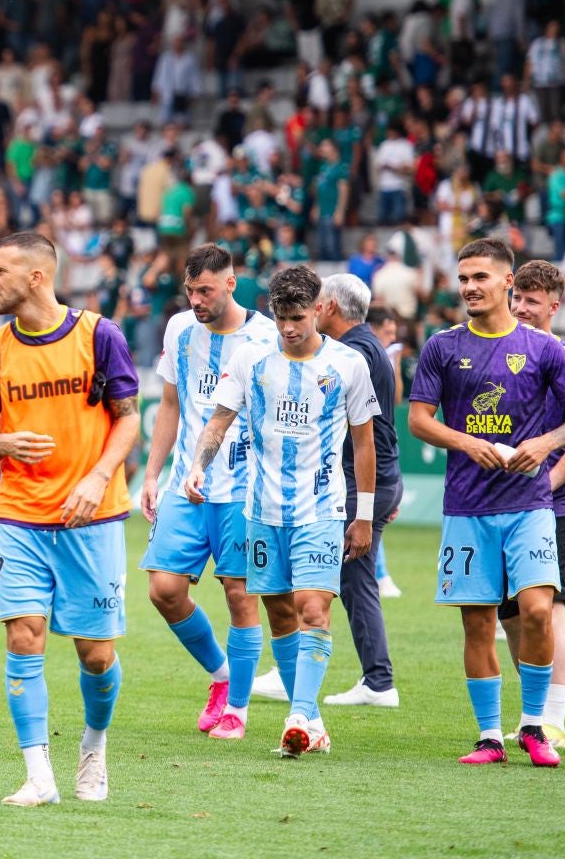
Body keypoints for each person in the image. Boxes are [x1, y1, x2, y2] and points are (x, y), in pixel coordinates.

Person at [407, 238, 565, 769]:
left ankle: (534, 726)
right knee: (477, 621)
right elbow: (419, 419)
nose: (469, 287)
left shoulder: (543, 348)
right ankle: (489, 737)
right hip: (466, 506)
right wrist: (468, 443)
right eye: (463, 278)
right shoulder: (442, 346)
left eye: (480, 278)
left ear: (506, 282)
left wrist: (542, 444)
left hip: (531, 504)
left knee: (538, 611)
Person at [0, 231, 139, 807]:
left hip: (90, 519)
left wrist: (97, 476)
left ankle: (93, 746)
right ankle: (39, 775)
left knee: (96, 654)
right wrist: (0, 442)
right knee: (23, 636)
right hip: (20, 515)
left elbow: (129, 419)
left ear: (36, 276)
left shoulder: (99, 334)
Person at [185, 265, 377, 758]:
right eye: (280, 317)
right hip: (263, 509)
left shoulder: (348, 364)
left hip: (322, 507)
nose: (289, 328)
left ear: (318, 309)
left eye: (297, 317)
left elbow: (364, 440)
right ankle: (310, 721)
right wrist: (197, 467)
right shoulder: (251, 357)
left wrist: (365, 514)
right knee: (280, 615)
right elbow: (219, 419)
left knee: (313, 608)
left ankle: (297, 713)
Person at [138, 244, 280, 741]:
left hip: (244, 489)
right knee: (164, 589)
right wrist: (152, 474)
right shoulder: (179, 329)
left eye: (206, 290)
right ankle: (222, 676)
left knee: (239, 595)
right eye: (190, 290)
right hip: (186, 483)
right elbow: (170, 406)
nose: (197, 300)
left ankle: (237, 710)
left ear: (231, 283)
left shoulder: (265, 336)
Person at [501, 261, 565, 749]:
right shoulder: (497, 355)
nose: (521, 307)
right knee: (510, 614)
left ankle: (552, 721)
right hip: (500, 507)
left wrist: (546, 483)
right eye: (517, 297)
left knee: (549, 608)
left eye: (532, 301)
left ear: (554, 306)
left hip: (559, 505)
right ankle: (531, 715)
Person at [302, 273, 405, 711]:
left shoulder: (352, 354)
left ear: (331, 308)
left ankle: (377, 681)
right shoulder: (366, 347)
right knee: (351, 578)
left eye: (317, 302)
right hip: (375, 479)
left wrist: (369, 502)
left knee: (347, 578)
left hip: (363, 479)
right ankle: (376, 680)